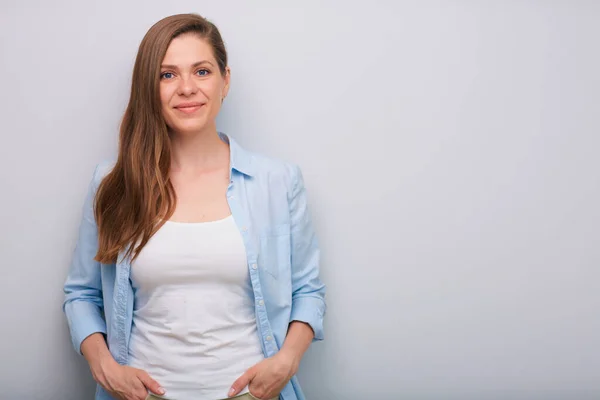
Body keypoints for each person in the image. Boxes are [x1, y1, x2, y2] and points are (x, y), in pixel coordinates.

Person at [63, 13, 326, 400]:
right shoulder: (113, 183)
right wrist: (104, 367)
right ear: (148, 88)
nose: (186, 88)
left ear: (225, 81)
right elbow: (81, 294)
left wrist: (287, 359)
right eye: (167, 75)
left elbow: (309, 289)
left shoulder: (278, 181)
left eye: (201, 71)